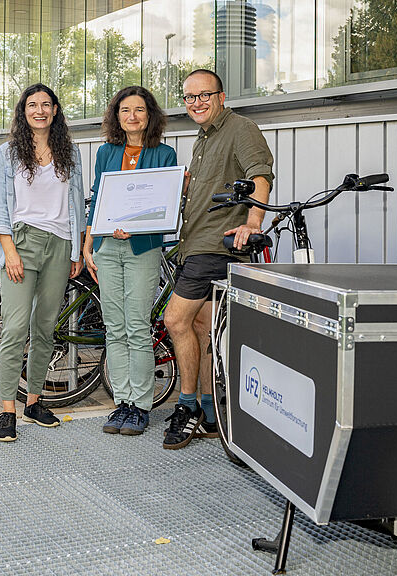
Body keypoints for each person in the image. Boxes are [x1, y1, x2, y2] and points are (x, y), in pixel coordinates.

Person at [162, 69, 274, 450]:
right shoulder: (203, 138)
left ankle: (188, 405)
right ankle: (210, 413)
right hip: (195, 243)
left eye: (203, 95)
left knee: (174, 320)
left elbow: (261, 175)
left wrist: (253, 222)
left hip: (217, 245)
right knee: (200, 329)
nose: (196, 102)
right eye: (189, 97)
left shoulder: (240, 128)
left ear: (221, 96)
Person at [0, 84, 85, 443]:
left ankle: (33, 401)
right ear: (23, 111)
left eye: (46, 104)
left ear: (56, 111)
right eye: (33, 105)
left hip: (59, 245)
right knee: (15, 328)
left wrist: (75, 251)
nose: (40, 110)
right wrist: (9, 250)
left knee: (45, 326)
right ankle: (7, 408)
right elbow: (0, 205)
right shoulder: (8, 153)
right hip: (22, 242)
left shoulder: (69, 152)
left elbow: (77, 202)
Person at [82, 86, 177, 436]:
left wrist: (135, 227)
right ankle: (122, 401)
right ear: (116, 116)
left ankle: (140, 405)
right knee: (114, 325)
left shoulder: (164, 154)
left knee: (137, 326)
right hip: (107, 247)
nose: (132, 116)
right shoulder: (106, 152)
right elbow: (98, 196)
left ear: (149, 115)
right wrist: (89, 243)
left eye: (139, 110)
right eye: (125, 110)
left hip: (142, 249)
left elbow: (163, 205)